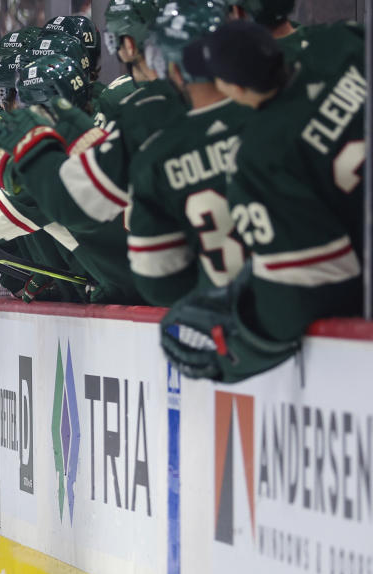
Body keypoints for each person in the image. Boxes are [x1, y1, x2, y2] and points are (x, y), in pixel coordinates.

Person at [161, 19, 366, 382]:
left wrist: (245, 348)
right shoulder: (338, 41)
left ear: (235, 89)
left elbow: (311, 286)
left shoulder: (260, 155)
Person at [127, 1, 249, 305]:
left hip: (223, 315)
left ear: (174, 69)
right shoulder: (273, 115)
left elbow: (156, 282)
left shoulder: (158, 154)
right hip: (318, 307)